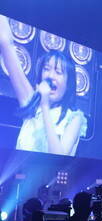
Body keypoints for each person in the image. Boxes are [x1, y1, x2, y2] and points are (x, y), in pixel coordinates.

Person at [0, 15, 87, 156]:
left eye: (58, 72)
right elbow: (6, 44)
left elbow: (57, 158)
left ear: (68, 84)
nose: (50, 75)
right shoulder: (31, 102)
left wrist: (45, 106)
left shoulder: (74, 118)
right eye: (46, 69)